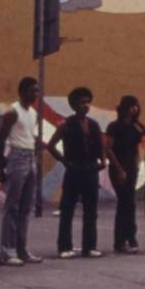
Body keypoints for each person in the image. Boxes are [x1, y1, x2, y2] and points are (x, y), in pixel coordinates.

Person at [48, 86, 106, 258]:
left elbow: (101, 146)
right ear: (73, 105)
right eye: (82, 102)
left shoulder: (94, 125)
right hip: (74, 170)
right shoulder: (66, 124)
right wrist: (64, 161)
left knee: (91, 210)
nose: (85, 106)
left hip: (90, 170)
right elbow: (51, 145)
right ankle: (64, 247)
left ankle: (90, 246)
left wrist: (102, 160)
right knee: (67, 209)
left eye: (88, 102)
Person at [0, 77, 44, 267]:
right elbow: (0, 141)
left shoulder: (33, 113)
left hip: (29, 156)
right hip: (16, 157)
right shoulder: (12, 112)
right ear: (22, 91)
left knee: (26, 207)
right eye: (33, 91)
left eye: (37, 91)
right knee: (12, 206)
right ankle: (7, 251)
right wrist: (2, 167)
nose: (36, 94)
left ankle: (21, 249)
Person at [105, 95, 145, 253]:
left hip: (131, 168)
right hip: (118, 169)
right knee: (124, 203)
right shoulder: (114, 127)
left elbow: (136, 149)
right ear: (124, 108)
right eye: (131, 105)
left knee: (130, 204)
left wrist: (136, 166)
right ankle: (120, 241)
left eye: (136, 105)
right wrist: (119, 169)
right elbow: (108, 148)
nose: (135, 109)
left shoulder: (135, 128)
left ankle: (130, 238)